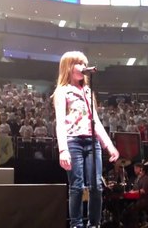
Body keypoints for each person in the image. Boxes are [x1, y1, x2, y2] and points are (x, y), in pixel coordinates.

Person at [53, 51, 119, 228]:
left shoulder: (88, 91)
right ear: (68, 66)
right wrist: (63, 149)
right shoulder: (62, 91)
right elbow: (60, 122)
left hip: (92, 142)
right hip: (73, 141)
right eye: (78, 63)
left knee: (96, 186)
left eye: (84, 63)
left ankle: (94, 224)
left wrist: (109, 145)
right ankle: (76, 224)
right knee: (77, 186)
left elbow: (95, 120)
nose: (83, 67)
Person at [122, 162, 148, 228]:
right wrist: (130, 192)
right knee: (126, 210)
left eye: (136, 168)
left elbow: (143, 191)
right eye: (134, 168)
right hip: (137, 200)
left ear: (141, 169)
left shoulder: (146, 178)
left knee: (131, 209)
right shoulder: (137, 179)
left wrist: (133, 192)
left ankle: (135, 225)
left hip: (144, 200)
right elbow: (134, 190)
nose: (134, 170)